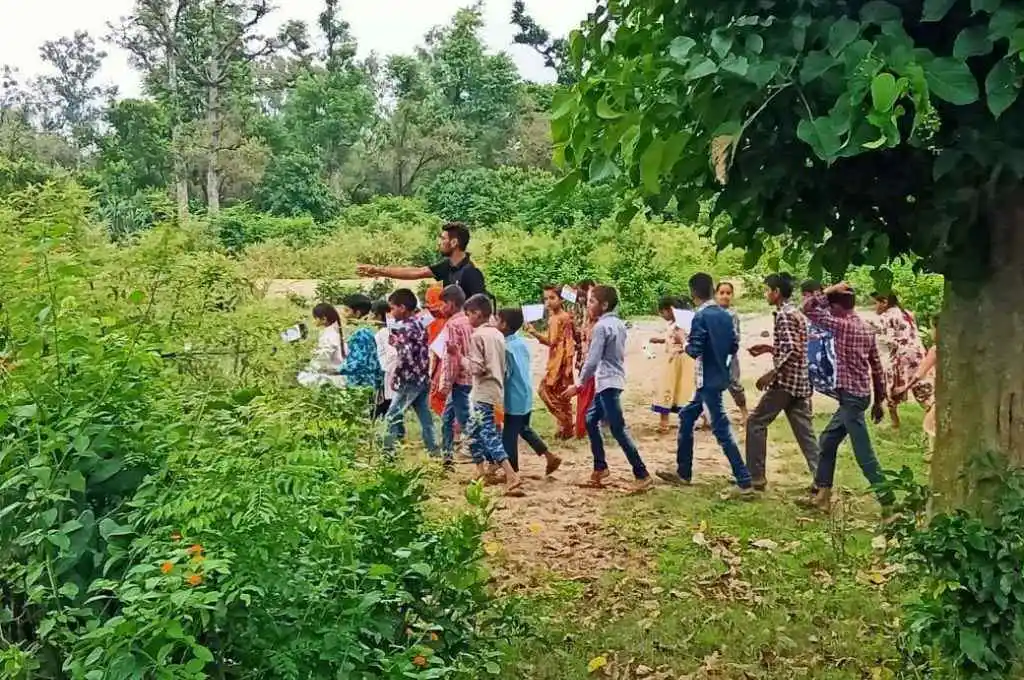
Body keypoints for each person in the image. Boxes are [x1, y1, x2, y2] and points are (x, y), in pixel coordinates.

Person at [658, 273, 754, 496]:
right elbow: (733, 345)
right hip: (718, 376)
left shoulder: (700, 316)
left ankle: (744, 480)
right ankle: (683, 472)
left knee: (721, 429)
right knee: (686, 416)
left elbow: (695, 349)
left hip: (706, 379)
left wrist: (684, 342)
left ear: (693, 293)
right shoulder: (725, 314)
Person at [800, 282, 891, 512]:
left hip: (850, 399)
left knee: (864, 454)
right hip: (860, 396)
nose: (828, 311)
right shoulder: (865, 328)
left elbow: (808, 308)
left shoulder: (840, 326)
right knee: (827, 441)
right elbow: (877, 367)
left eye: (831, 307)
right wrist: (879, 400)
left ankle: (890, 505)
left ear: (838, 307)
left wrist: (829, 290)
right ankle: (823, 495)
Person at [565, 285, 653, 493]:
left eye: (591, 302)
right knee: (590, 420)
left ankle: (642, 474)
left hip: (607, 383)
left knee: (618, 429)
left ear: (604, 305)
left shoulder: (601, 327)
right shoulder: (618, 324)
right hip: (611, 381)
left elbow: (593, 360)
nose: (588, 306)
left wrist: (578, 385)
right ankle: (600, 468)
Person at [745, 274, 820, 491]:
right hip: (800, 381)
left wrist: (771, 373)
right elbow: (794, 345)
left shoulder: (785, 315)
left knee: (756, 422)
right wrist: (769, 348)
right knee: (805, 432)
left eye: (767, 290)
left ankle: (755, 477)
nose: (766, 294)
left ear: (776, 292)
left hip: (786, 382)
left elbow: (792, 350)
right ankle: (821, 479)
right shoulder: (793, 312)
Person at [463, 294, 523, 495]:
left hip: (483, 392)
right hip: (497, 391)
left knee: (488, 434)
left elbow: (477, 368)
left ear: (477, 313)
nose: (468, 318)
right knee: (473, 431)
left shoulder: (478, 336)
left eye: (469, 314)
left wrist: (461, 359)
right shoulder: (498, 334)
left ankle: (511, 474)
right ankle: (480, 470)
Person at [498, 307, 562, 475]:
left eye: (498, 320)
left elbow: (505, 374)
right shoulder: (520, 342)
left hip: (513, 397)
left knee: (509, 436)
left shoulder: (506, 348)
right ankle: (549, 456)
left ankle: (512, 472)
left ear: (504, 325)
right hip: (525, 394)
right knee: (524, 428)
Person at [355, 222, 486, 299]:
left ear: (454, 242)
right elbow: (417, 272)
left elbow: (481, 308)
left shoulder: (471, 272)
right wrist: (379, 270)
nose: (439, 243)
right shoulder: (447, 265)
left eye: (442, 239)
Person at [382, 289, 439, 458]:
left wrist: (396, 376)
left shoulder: (406, 328)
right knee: (424, 415)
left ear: (402, 307)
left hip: (409, 378)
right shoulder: (419, 323)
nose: (391, 312)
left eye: (393, 308)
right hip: (422, 376)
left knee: (392, 415)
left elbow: (405, 357)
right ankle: (433, 449)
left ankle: (388, 452)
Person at [870, 292, 933, 428]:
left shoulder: (887, 316)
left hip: (901, 358)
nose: (874, 306)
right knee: (922, 390)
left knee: (892, 391)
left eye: (875, 302)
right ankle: (932, 416)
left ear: (885, 302)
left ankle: (895, 424)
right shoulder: (906, 313)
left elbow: (873, 329)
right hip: (918, 355)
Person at [525, 285, 577, 439]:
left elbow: (568, 342)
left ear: (561, 300)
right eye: (546, 298)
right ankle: (565, 427)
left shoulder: (564, 318)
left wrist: (568, 363)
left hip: (560, 362)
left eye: (552, 298)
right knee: (560, 395)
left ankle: (566, 424)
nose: (548, 301)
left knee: (545, 391)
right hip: (554, 359)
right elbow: (551, 341)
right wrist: (534, 333)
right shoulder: (553, 318)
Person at [437, 285, 474, 469]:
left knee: (467, 422)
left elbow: (452, 358)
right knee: (447, 417)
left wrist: (446, 384)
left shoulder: (452, 325)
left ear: (451, 303)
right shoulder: (470, 320)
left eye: (443, 303)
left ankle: (491, 459)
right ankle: (447, 456)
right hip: (473, 376)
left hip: (460, 380)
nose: (441, 308)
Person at [649, 295, 696, 434]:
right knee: (672, 389)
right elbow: (670, 339)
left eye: (662, 312)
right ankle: (666, 422)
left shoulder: (682, 325)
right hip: (673, 360)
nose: (662, 315)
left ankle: (666, 422)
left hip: (680, 360)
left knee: (677, 389)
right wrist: (660, 340)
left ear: (670, 310)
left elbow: (683, 340)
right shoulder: (672, 325)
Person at [714, 281, 749, 424]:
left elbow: (735, 336)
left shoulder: (732, 314)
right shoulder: (711, 313)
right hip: (714, 355)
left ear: (732, 295)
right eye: (721, 293)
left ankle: (744, 412)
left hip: (728, 355)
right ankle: (711, 417)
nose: (725, 296)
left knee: (733, 383)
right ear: (716, 295)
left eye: (728, 293)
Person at [802, 280, 839, 400]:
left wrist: (820, 336)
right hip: (811, 350)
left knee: (828, 381)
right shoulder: (809, 309)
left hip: (825, 351)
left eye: (821, 293)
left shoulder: (829, 309)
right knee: (807, 384)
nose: (821, 297)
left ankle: (846, 402)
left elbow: (834, 330)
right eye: (817, 294)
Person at [338, 294, 383, 391]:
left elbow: (357, 364)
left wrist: (335, 370)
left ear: (357, 313)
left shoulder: (361, 334)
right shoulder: (366, 331)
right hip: (367, 385)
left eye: (346, 310)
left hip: (361, 387)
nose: (343, 314)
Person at [298, 303, 346, 388]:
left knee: (302, 377)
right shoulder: (333, 333)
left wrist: (309, 367)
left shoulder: (330, 336)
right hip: (335, 371)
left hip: (334, 375)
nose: (314, 321)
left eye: (315, 318)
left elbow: (323, 358)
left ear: (324, 319)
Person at [372, 300, 401, 436]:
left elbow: (392, 354)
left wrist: (388, 371)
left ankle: (395, 432)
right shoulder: (388, 330)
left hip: (389, 371)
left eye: (373, 314)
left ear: (379, 315)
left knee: (390, 403)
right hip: (388, 371)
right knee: (391, 402)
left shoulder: (384, 332)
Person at [573, 279, 597, 438]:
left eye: (590, 301)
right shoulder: (585, 316)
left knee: (589, 393)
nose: (586, 303)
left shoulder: (598, 323)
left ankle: (583, 426)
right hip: (587, 361)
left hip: (592, 363)